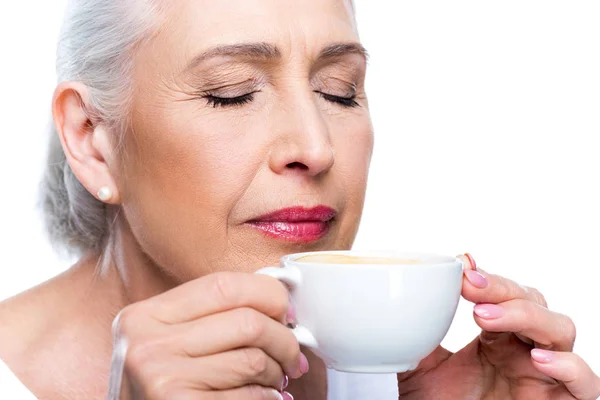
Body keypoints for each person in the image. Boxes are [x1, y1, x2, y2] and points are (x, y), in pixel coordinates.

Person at [0, 0, 599, 399]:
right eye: (230, 93)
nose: (316, 148)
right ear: (92, 138)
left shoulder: (395, 381)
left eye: (339, 93)